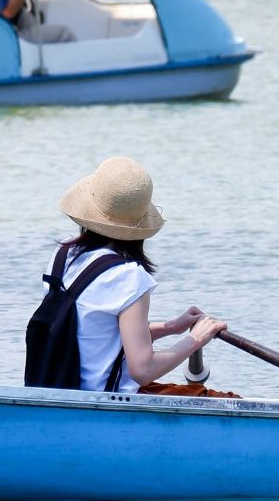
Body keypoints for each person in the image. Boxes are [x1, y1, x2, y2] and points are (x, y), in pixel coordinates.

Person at [35, 156, 233, 396]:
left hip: (59, 390)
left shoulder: (63, 254)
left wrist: (172, 327)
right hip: (104, 400)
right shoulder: (129, 277)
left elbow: (95, 333)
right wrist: (196, 339)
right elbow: (143, 369)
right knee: (227, 400)